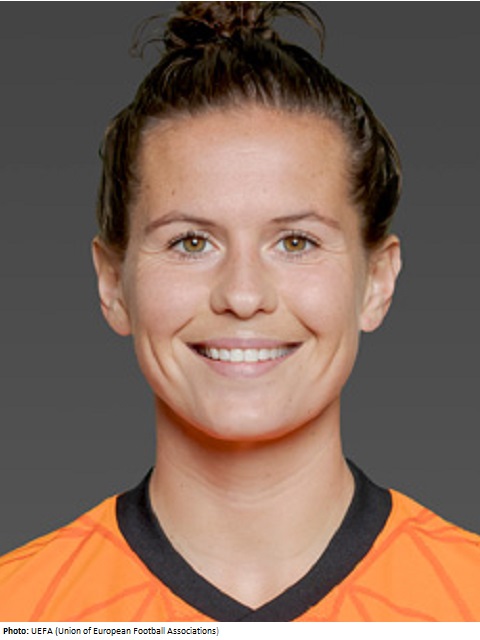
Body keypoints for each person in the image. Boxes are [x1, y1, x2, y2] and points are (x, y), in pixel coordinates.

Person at [0, 1, 478, 623]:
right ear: (114, 283)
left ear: (377, 282)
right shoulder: (22, 611)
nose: (244, 296)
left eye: (296, 242)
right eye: (191, 242)